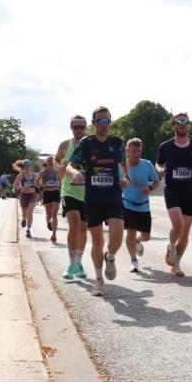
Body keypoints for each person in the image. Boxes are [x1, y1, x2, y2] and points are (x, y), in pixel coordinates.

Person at [66, 106, 130, 297]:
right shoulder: (86, 143)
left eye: (107, 121)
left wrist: (126, 177)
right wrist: (75, 172)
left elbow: (123, 164)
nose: (105, 125)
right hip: (93, 198)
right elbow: (70, 165)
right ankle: (98, 279)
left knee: (117, 238)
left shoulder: (117, 143)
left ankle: (110, 257)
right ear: (94, 124)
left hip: (113, 196)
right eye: (101, 121)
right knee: (97, 240)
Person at [156, 113, 192, 277]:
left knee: (185, 232)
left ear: (189, 126)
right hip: (172, 191)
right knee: (178, 226)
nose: (182, 124)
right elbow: (158, 163)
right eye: (179, 121)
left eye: (185, 121)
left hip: (189, 193)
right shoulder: (165, 146)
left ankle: (176, 264)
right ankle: (171, 245)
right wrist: (159, 170)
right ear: (173, 126)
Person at [56, 116, 90, 279]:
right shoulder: (65, 145)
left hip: (88, 193)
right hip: (69, 190)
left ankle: (79, 262)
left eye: (81, 127)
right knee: (74, 224)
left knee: (83, 228)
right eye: (75, 127)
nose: (78, 130)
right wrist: (61, 165)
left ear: (86, 128)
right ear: (71, 127)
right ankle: (71, 263)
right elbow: (56, 161)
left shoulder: (91, 144)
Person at [121, 138, 161, 273]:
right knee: (130, 232)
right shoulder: (122, 166)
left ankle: (138, 241)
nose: (136, 154)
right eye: (133, 151)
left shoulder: (147, 164)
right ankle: (133, 261)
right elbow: (117, 183)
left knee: (146, 237)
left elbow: (156, 181)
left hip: (144, 206)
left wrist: (149, 188)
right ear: (127, 151)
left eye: (139, 151)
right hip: (127, 204)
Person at [37, 156, 62, 244]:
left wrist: (59, 183)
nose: (50, 162)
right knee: (48, 214)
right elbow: (36, 182)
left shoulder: (57, 171)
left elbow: (61, 181)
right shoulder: (43, 172)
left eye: (51, 160)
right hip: (47, 193)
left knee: (54, 215)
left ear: (53, 162)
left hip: (55, 192)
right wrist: (42, 185)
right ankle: (48, 222)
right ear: (46, 162)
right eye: (49, 161)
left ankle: (54, 234)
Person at [12, 159, 39, 238]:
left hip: (32, 195)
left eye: (28, 166)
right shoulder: (21, 175)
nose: (27, 168)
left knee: (30, 212)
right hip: (23, 195)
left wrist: (35, 184)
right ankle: (24, 219)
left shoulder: (34, 175)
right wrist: (22, 187)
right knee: (25, 214)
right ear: (23, 167)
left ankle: (28, 229)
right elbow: (14, 185)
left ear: (30, 166)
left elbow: (39, 185)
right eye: (25, 166)